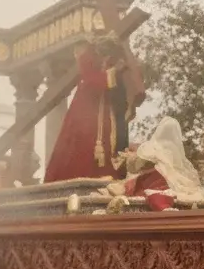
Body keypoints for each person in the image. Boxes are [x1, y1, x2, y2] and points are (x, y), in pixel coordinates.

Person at [43, 31, 137, 184]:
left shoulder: (111, 54)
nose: (76, 53)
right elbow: (90, 79)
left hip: (108, 105)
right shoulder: (87, 57)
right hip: (87, 106)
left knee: (109, 141)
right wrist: (114, 71)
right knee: (84, 143)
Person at [105, 117, 204, 211]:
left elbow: (135, 166)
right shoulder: (176, 150)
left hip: (155, 181)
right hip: (169, 181)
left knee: (130, 185)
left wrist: (130, 159)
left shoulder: (151, 146)